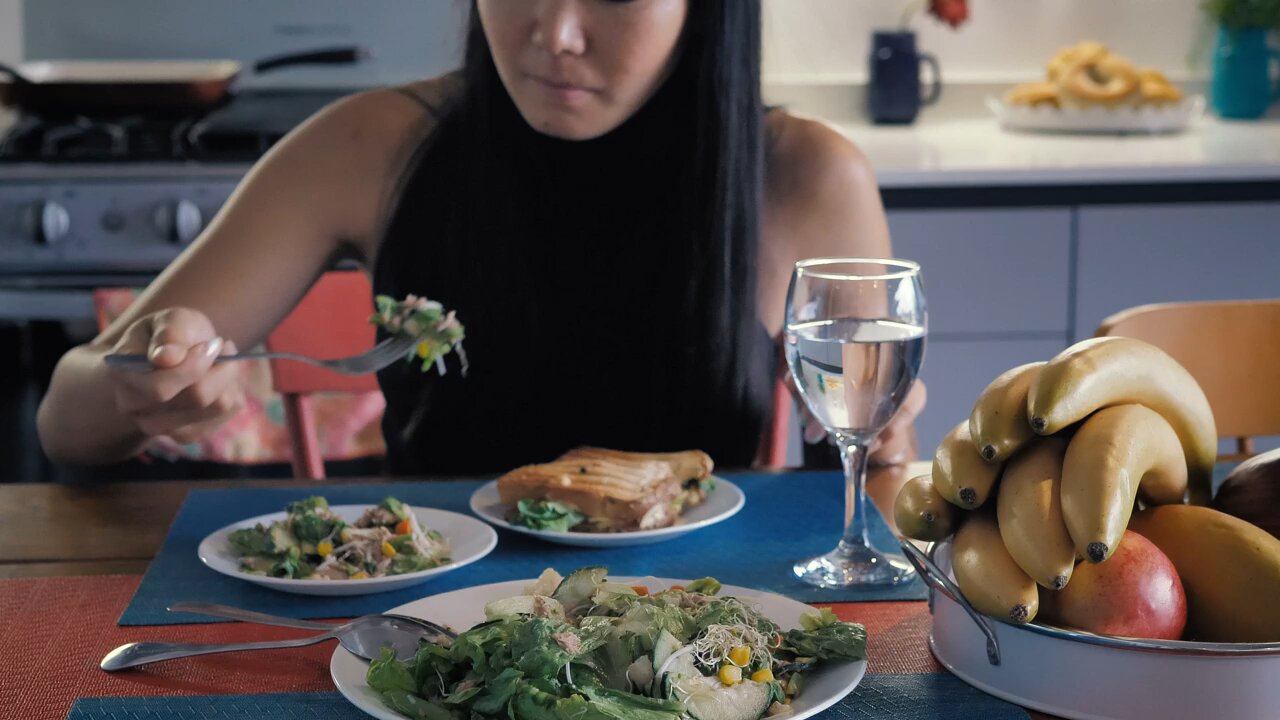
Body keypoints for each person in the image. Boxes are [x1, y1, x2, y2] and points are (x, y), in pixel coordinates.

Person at [38, 0, 925, 475]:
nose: (555, 32)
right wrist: (143, 382)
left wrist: (887, 445)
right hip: (428, 636)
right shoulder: (368, 145)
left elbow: (867, 479)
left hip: (698, 646)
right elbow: (62, 420)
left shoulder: (802, 175)